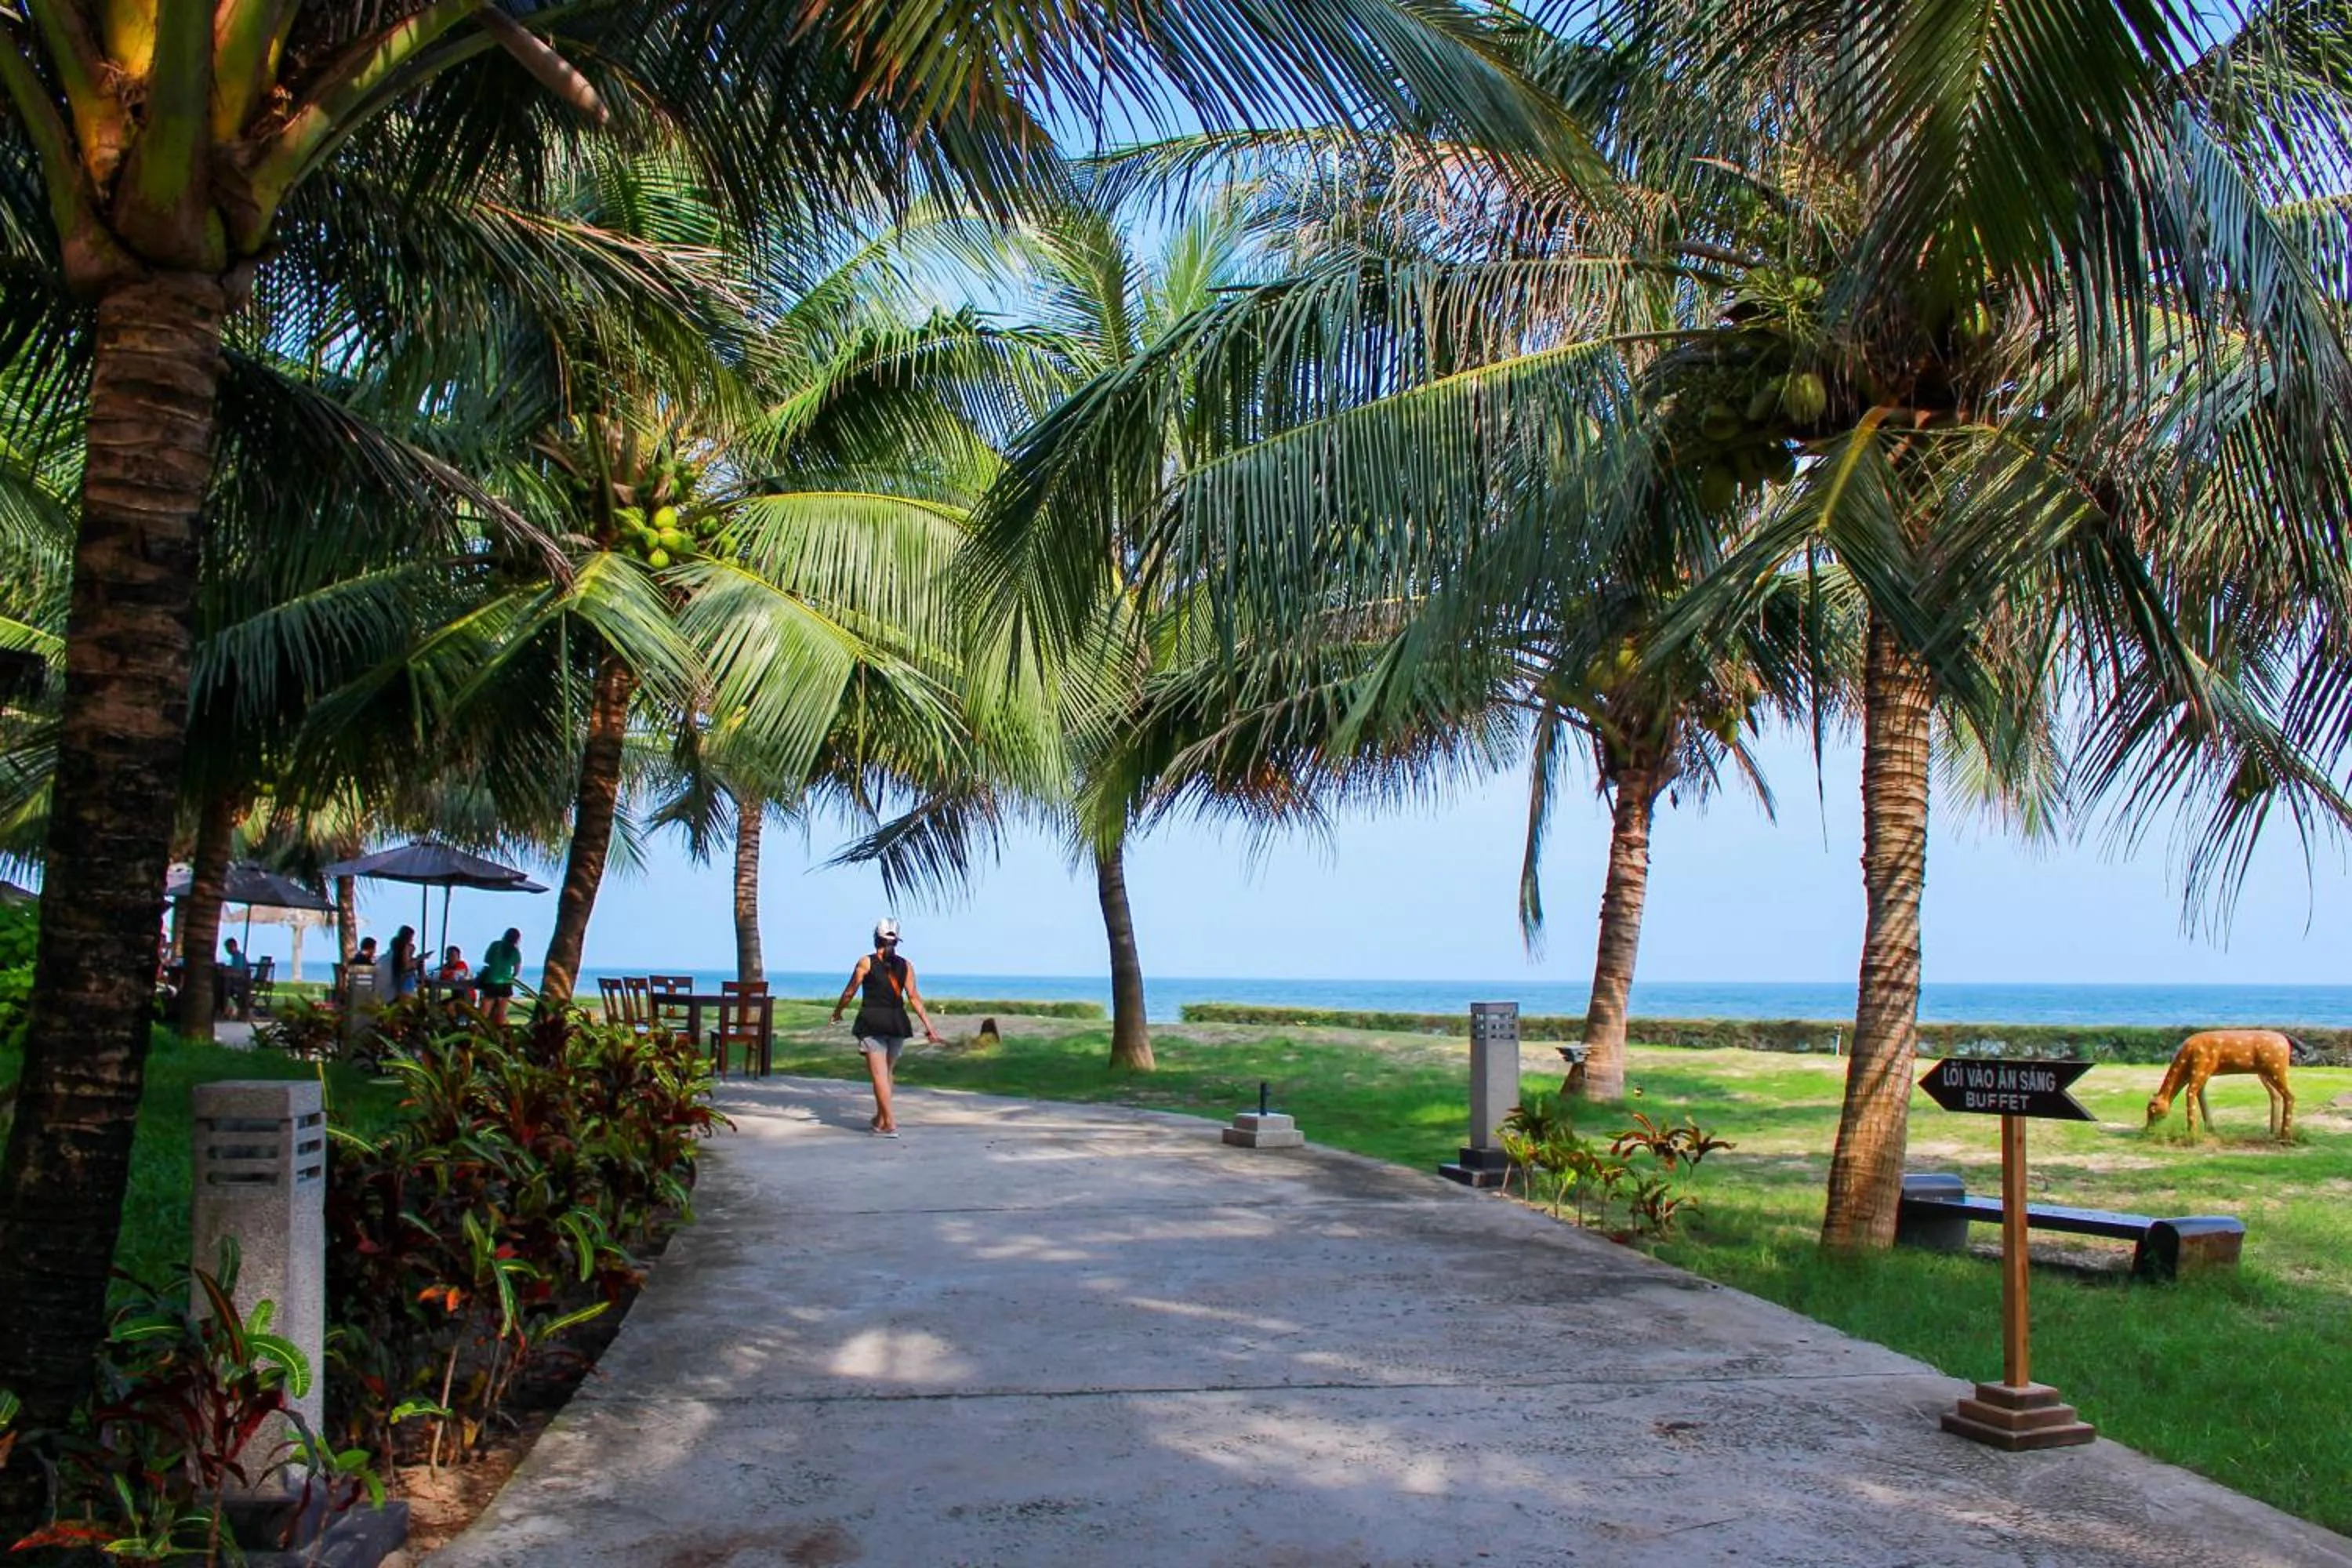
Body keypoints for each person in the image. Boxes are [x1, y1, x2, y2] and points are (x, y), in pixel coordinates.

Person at [830, 917, 940, 1138]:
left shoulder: (866, 962)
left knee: (879, 1075)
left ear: (875, 938)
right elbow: (914, 998)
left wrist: (838, 1012)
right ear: (897, 941)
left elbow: (850, 991)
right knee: (887, 1073)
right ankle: (880, 1119)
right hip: (897, 1022)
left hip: (872, 1021)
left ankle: (889, 1123)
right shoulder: (906, 965)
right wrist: (930, 1027)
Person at [477, 927, 523, 1029]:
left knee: (484, 1012)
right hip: (506, 983)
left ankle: (481, 1031)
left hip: (492, 981)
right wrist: (510, 975)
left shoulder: (495, 945)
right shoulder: (515, 951)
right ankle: (500, 1032)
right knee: (502, 1012)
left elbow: (487, 960)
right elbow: (516, 970)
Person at [220, 937, 251, 1021]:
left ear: (233, 946)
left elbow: (238, 972)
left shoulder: (239, 957)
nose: (227, 950)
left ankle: (224, 1010)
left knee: (224, 988)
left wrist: (227, 971)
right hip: (237, 981)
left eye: (228, 948)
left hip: (241, 983)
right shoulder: (235, 957)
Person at [387, 925, 419, 998]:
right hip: (405, 979)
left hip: (396, 978)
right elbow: (406, 966)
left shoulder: (395, 945)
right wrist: (417, 960)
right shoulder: (404, 946)